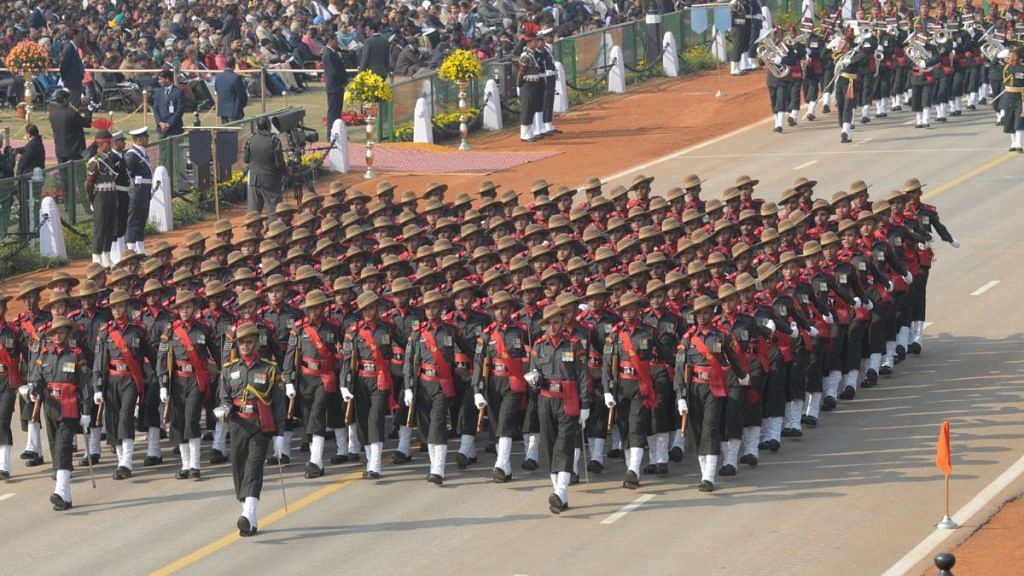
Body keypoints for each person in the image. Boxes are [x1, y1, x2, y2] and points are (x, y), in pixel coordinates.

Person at [215, 321, 286, 538]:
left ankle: (249, 514)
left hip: (260, 425)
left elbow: (279, 405)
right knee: (239, 470)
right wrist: (223, 409)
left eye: (249, 342)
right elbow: (225, 397)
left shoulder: (269, 369)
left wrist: (280, 435)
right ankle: (249, 515)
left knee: (254, 469)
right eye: (242, 342)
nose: (245, 345)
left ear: (256, 344)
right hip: (238, 424)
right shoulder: (229, 369)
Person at [675, 295, 748, 493]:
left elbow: (733, 358)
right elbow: (680, 368)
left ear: (712, 312)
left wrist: (743, 376)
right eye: (698, 313)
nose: (702, 316)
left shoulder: (722, 335)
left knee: (711, 427)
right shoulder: (687, 339)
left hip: (715, 387)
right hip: (694, 388)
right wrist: (680, 396)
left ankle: (709, 476)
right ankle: (704, 472)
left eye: (706, 312)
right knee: (698, 430)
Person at [402, 290, 471, 485]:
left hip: (443, 384)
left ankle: (438, 469)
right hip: (423, 385)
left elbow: (471, 349)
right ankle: (433, 466)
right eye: (427, 308)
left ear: (441, 308)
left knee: (438, 424)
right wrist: (408, 387)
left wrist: (484, 357)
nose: (430, 311)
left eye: (434, 307)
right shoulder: (417, 334)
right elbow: (408, 361)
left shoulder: (451, 330)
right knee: (425, 428)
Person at [526, 304, 589, 514]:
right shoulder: (539, 345)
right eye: (548, 324)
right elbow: (532, 371)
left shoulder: (573, 344)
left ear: (563, 322)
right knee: (550, 445)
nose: (552, 327)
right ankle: (559, 495)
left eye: (556, 322)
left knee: (564, 444)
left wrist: (585, 404)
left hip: (568, 399)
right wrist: (533, 379)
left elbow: (582, 375)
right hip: (546, 399)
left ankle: (561, 490)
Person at [26, 316, 92, 510]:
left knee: (63, 446)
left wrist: (87, 411)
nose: (57, 335)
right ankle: (67, 497)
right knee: (55, 447)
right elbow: (37, 378)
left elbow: (85, 384)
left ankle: (60, 492)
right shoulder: (45, 355)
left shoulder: (76, 354)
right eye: (54, 333)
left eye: (61, 332)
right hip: (50, 408)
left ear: (67, 333)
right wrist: (34, 390)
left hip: (69, 407)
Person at [92, 289, 156, 479]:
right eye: (114, 307)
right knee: (112, 420)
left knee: (126, 416)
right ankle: (121, 461)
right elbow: (99, 361)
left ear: (127, 306)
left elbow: (151, 356)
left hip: (131, 379)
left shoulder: (139, 329)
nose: (117, 310)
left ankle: (127, 462)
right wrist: (97, 387)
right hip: (111, 380)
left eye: (120, 306)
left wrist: (159, 379)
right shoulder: (105, 332)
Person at [282, 290, 344, 479]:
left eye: (317, 307)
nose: (314, 311)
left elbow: (345, 346)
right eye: (311, 308)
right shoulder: (298, 329)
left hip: (325, 377)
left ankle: (315, 461)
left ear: (323, 307)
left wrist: (342, 363)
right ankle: (317, 459)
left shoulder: (333, 326)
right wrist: (288, 381)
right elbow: (290, 354)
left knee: (317, 416)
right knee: (308, 419)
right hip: (305, 378)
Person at [158, 290, 217, 480]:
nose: (185, 310)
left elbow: (215, 353)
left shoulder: (203, 329)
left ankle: (195, 464)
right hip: (176, 380)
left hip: (195, 379)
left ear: (195, 308)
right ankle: (185, 464)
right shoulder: (170, 331)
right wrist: (163, 385)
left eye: (188, 307)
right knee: (178, 422)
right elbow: (162, 358)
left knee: (192, 419)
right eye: (181, 307)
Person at [84, 130, 119, 267]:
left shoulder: (109, 158)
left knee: (110, 227)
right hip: (101, 195)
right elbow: (89, 183)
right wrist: (92, 199)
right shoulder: (95, 162)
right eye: (108, 143)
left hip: (110, 194)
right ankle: (96, 258)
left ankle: (106, 256)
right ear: (100, 144)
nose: (110, 145)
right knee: (100, 228)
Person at [243, 117, 287, 216]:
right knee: (273, 212)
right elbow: (279, 164)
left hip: (254, 180)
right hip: (270, 180)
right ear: (268, 126)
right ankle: (274, 229)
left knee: (253, 214)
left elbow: (245, 159)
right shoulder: (274, 139)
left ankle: (251, 231)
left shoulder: (250, 138)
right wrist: (287, 171)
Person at [0, 294, 22, 480]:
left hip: (8, 380)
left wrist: (26, 381)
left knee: (3, 419)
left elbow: (27, 355)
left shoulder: (13, 330)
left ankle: (4, 465)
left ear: (5, 308)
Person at [124, 127, 154, 255]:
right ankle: (131, 249)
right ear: (139, 139)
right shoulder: (132, 154)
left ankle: (140, 247)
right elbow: (127, 173)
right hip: (137, 191)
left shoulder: (142, 153)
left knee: (142, 219)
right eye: (146, 137)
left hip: (144, 190)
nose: (148, 139)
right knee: (133, 219)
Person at [50, 89, 92, 165]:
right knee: (77, 175)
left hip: (60, 150)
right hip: (74, 151)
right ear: (65, 99)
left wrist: (79, 111)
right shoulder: (71, 114)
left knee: (64, 175)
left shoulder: (52, 114)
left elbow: (70, 120)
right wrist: (86, 109)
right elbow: (87, 123)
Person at [517, 32, 544, 142]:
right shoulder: (526, 56)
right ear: (529, 43)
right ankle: (524, 133)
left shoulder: (531, 54)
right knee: (527, 108)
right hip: (527, 84)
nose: (536, 43)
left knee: (532, 108)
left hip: (533, 83)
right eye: (534, 41)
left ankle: (529, 130)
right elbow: (521, 73)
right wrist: (519, 86)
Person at [322, 31, 350, 137]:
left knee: (337, 111)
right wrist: (344, 80)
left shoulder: (332, 52)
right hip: (334, 86)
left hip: (338, 86)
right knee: (333, 111)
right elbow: (333, 72)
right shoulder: (328, 54)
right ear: (330, 41)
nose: (337, 42)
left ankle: (337, 132)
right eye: (335, 40)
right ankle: (331, 134)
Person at [109, 132, 132, 260]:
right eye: (121, 141)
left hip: (124, 192)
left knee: (122, 222)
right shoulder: (112, 157)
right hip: (117, 192)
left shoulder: (121, 156)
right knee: (116, 223)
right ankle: (114, 254)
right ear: (115, 143)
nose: (124, 143)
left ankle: (122, 251)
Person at [215, 57, 248, 124]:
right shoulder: (236, 77)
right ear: (234, 64)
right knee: (235, 133)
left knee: (226, 133)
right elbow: (242, 94)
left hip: (223, 111)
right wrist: (242, 105)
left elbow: (217, 92)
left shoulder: (218, 77)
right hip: (234, 111)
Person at [154, 70, 185, 138]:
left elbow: (179, 111)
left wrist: (169, 124)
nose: (159, 81)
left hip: (175, 129)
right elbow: (156, 110)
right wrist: (161, 123)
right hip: (161, 130)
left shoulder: (178, 92)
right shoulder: (158, 92)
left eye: (161, 79)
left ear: (167, 79)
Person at [59, 30, 86, 103]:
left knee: (76, 100)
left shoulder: (74, 48)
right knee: (72, 100)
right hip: (71, 80)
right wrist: (64, 77)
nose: (81, 37)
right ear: (74, 36)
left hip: (76, 80)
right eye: (79, 35)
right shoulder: (69, 48)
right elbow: (64, 64)